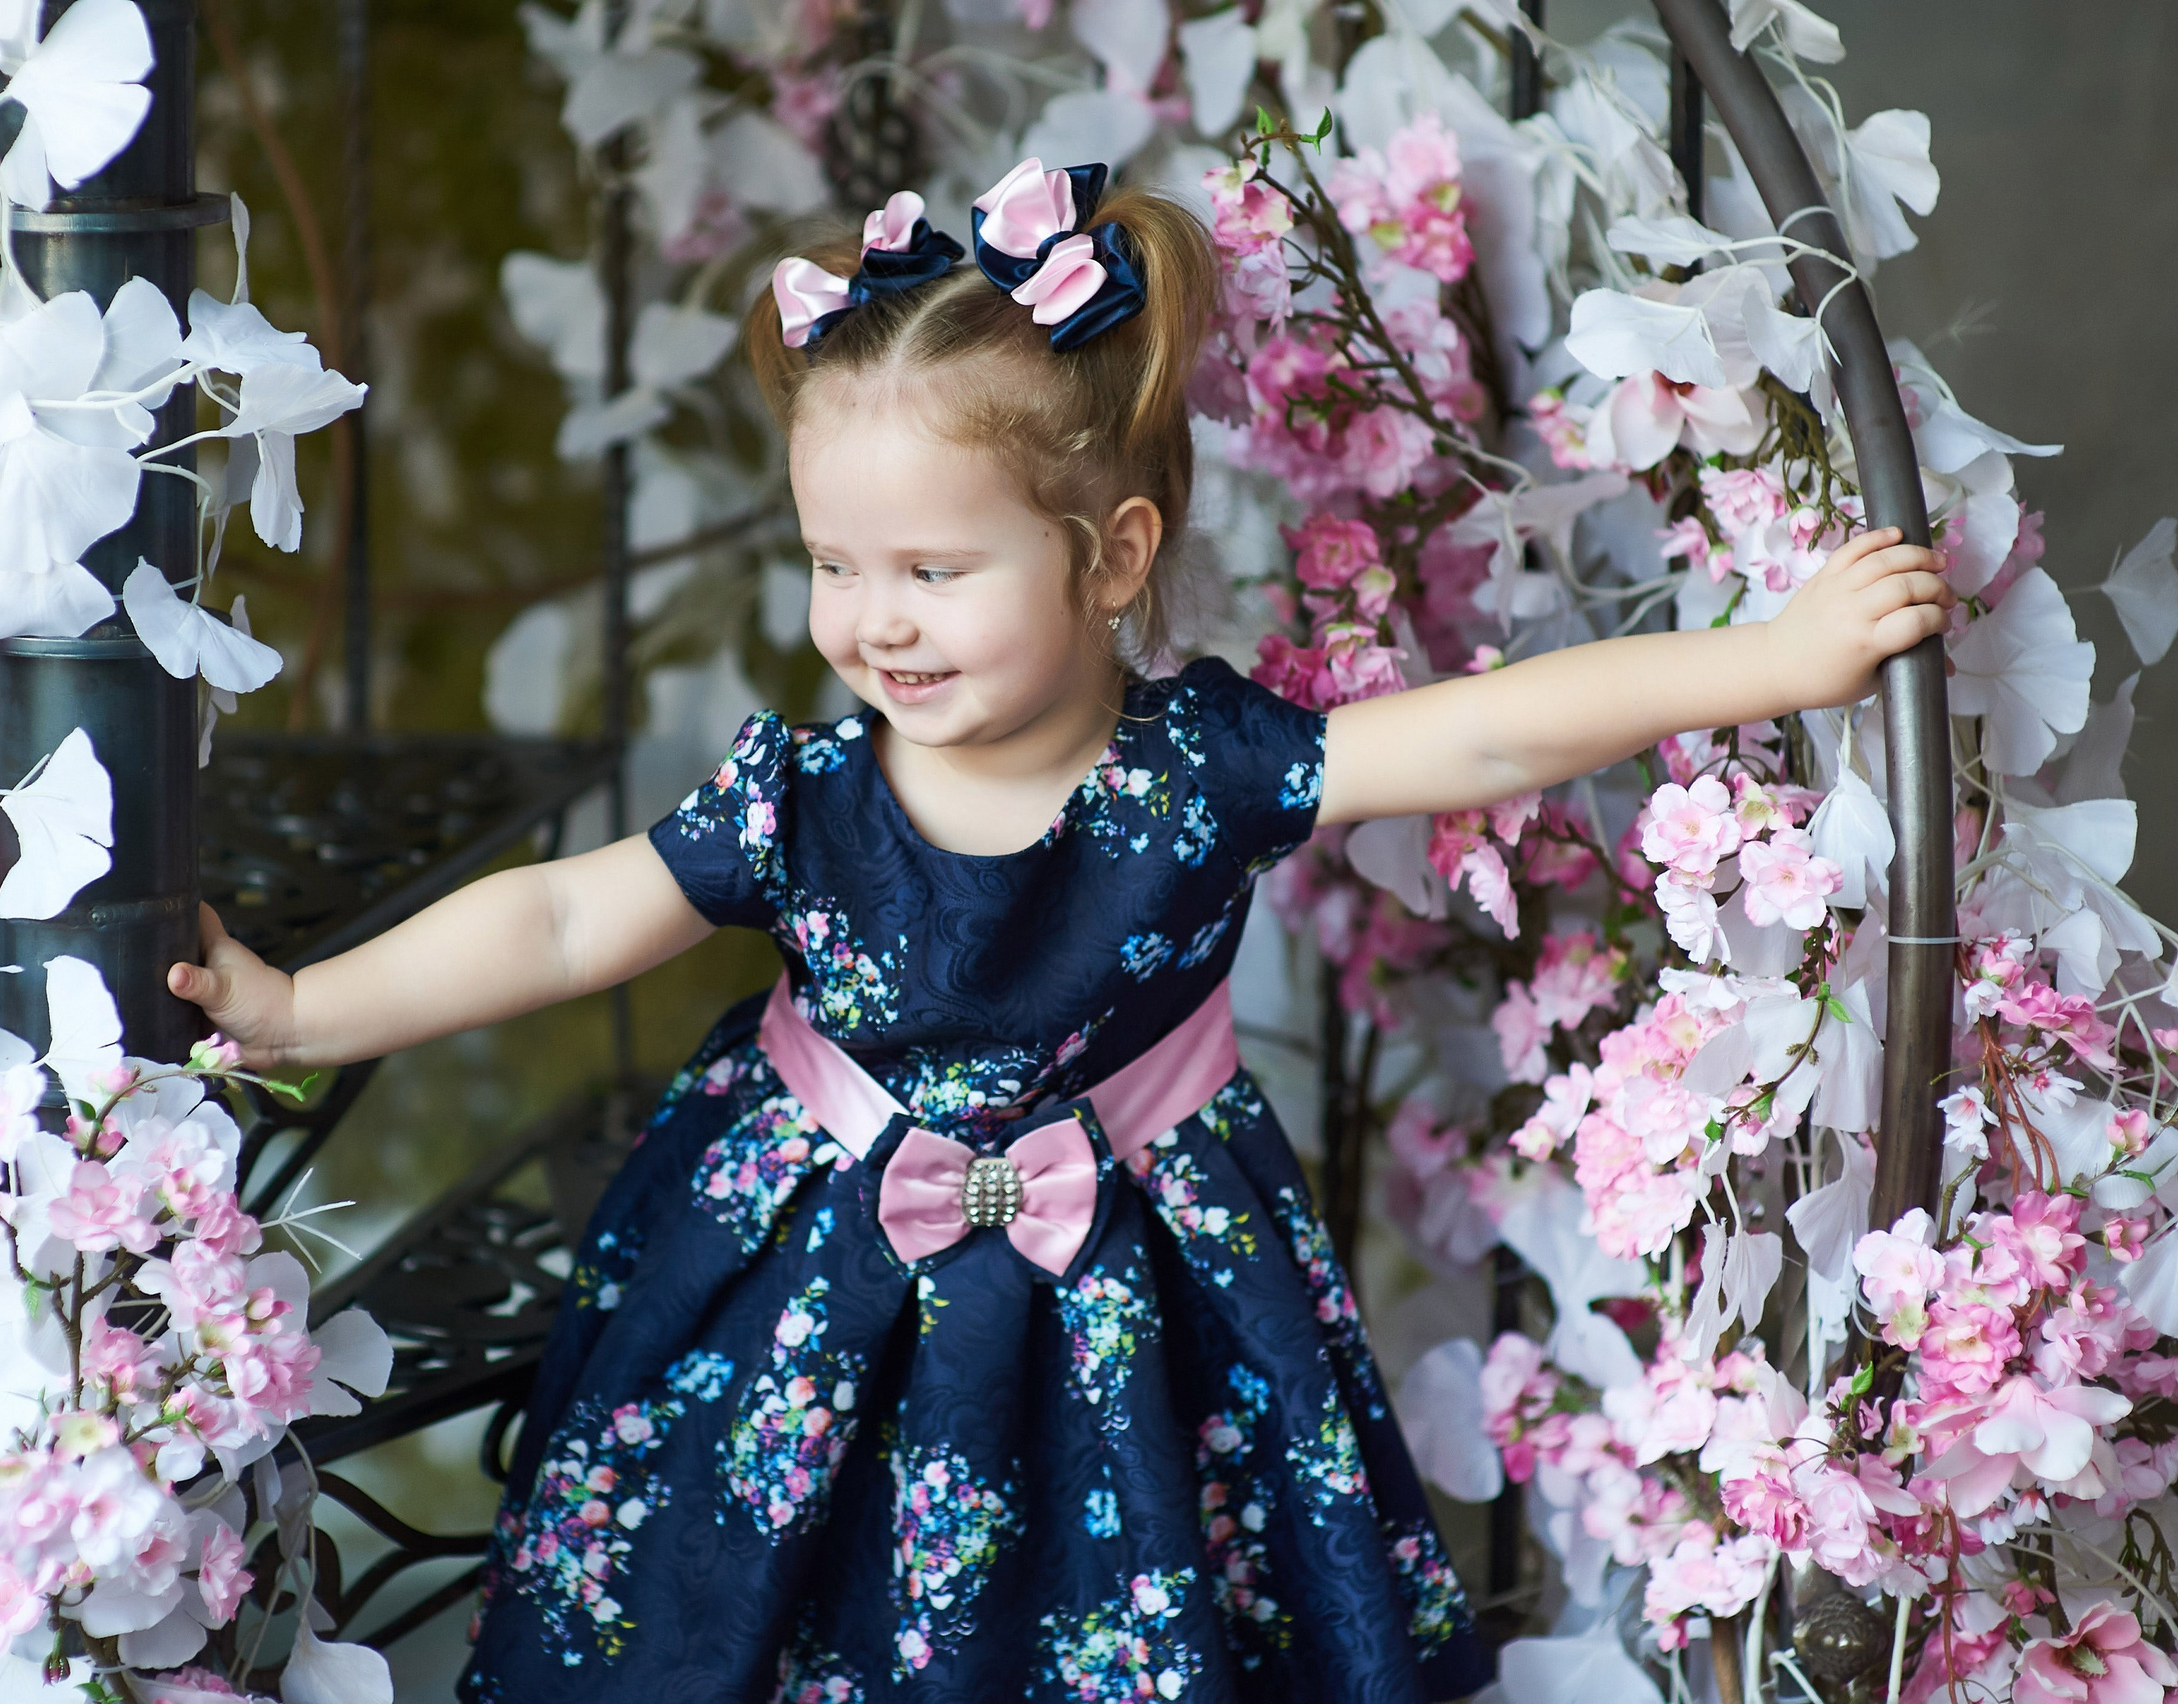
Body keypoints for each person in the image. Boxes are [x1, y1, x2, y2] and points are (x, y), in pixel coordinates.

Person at [168, 159, 1952, 1703]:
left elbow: (1483, 729)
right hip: (815, 1276)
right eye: (834, 564)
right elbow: (565, 917)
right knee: (748, 1597)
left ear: (1112, 557)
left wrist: (1771, 661)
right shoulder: (801, 799)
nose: (876, 622)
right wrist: (311, 1004)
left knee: (1136, 1610)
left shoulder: (1205, 767)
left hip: (1143, 1284)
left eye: (935, 573)